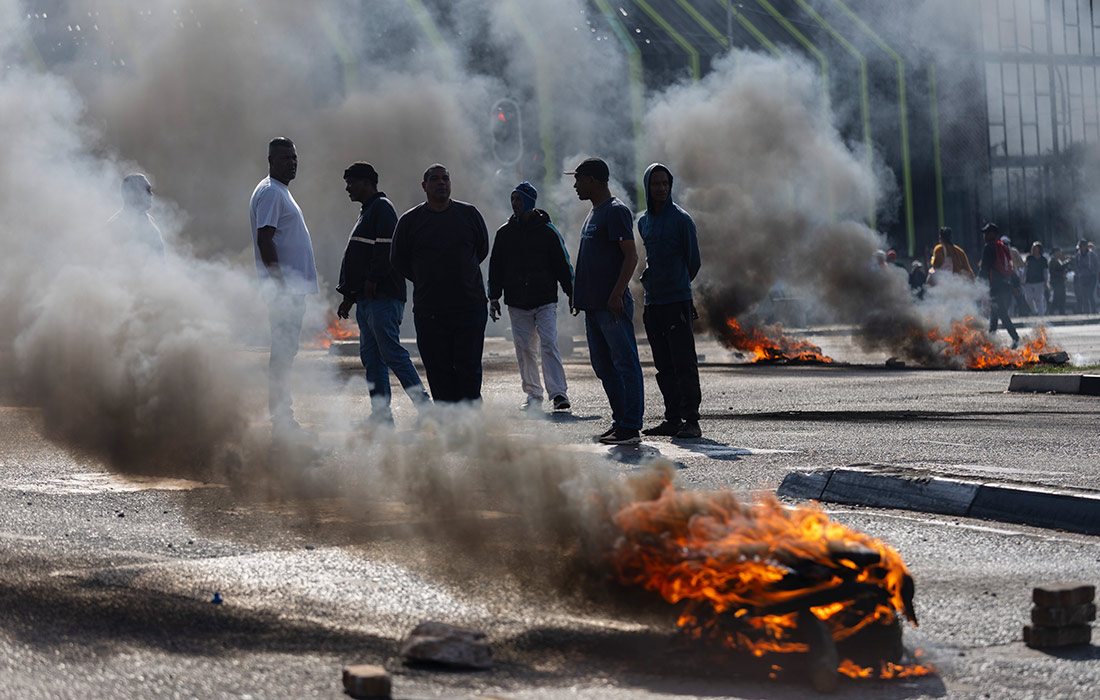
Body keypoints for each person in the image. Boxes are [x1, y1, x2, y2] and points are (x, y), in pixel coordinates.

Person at [335, 162, 430, 425]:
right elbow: (361, 256)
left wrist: (374, 279)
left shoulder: (382, 209)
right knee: (372, 357)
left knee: (390, 352)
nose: (347, 188)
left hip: (383, 297)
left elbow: (386, 249)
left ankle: (426, 408)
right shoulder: (368, 211)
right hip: (367, 299)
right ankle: (381, 415)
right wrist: (350, 296)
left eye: (352, 182)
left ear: (367, 182)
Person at [391, 164, 489, 403]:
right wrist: (426, 278)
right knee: (438, 371)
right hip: (430, 311)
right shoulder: (410, 221)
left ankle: (471, 424)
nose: (441, 183)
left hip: (469, 307)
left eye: (445, 178)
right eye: (435, 179)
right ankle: (448, 426)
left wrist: (460, 274)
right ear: (424, 186)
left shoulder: (469, 214)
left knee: (469, 369)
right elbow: (398, 260)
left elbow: (482, 249)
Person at [567, 157, 644, 445]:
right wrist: (579, 295)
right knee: (603, 365)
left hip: (610, 305)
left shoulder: (616, 211)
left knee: (625, 362)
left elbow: (631, 256)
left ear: (593, 180)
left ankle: (631, 425)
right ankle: (620, 420)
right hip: (592, 305)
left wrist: (616, 293)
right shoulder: (594, 212)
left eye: (579, 179)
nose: (575, 185)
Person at [249, 137, 319, 434]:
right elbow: (265, 238)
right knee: (282, 354)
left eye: (294, 158)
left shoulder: (279, 192)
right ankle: (282, 418)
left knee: (285, 352)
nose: (291, 163)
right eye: (285, 158)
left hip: (290, 291)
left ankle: (283, 416)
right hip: (284, 292)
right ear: (270, 161)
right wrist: (280, 285)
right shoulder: (271, 193)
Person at [487, 181, 574, 413]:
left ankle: (558, 393)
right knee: (524, 348)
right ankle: (533, 394)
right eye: (513, 199)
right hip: (517, 302)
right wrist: (493, 297)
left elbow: (563, 264)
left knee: (549, 343)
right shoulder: (504, 233)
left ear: (529, 201)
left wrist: (572, 291)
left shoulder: (548, 231)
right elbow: (496, 268)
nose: (515, 204)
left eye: (519, 199)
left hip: (545, 300)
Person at [637, 163, 702, 440]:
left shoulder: (682, 220)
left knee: (683, 362)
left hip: (677, 302)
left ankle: (692, 420)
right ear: (647, 188)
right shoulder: (643, 222)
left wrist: (678, 286)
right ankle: (672, 417)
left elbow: (694, 261)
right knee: (663, 364)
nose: (661, 188)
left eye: (665, 183)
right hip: (653, 304)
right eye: (656, 184)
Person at [977, 222, 1020, 348]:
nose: (984, 235)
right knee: (994, 314)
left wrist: (977, 284)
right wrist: (1016, 284)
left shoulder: (989, 247)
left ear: (992, 234)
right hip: (1005, 286)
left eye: (986, 233)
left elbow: (984, 268)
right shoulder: (1003, 247)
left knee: (1001, 313)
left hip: (996, 287)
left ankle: (1016, 338)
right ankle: (991, 340)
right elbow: (1011, 268)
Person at [107, 173, 165, 259]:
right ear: (132, 193)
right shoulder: (116, 225)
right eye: (147, 190)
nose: (151, 194)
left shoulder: (150, 220)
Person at [1022, 242, 1049, 317]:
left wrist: (1046, 282)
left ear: (1039, 250)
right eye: (1032, 248)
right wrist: (1023, 278)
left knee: (1039, 299)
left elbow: (1045, 272)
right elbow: (1025, 269)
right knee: (1028, 298)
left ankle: (1041, 316)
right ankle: (1034, 311)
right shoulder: (1029, 258)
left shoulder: (1043, 260)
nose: (1033, 250)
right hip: (1029, 282)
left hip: (1039, 282)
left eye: (1035, 248)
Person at [1074, 239, 1099, 314]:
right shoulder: (1078, 255)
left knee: (1090, 295)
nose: (1081, 248)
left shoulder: (1092, 255)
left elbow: (1097, 266)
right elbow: (1076, 266)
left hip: (1091, 277)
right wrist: (1078, 273)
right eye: (1080, 247)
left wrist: (1094, 273)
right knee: (1084, 296)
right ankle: (1086, 313)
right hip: (1082, 278)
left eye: (1082, 246)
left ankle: (1094, 312)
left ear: (1085, 247)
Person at [1049, 247, 1067, 315]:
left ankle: (1061, 312)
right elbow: (1053, 272)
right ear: (1055, 253)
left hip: (1059, 282)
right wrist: (1061, 275)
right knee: (1057, 299)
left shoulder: (1057, 260)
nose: (1060, 253)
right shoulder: (1053, 261)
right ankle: (1052, 313)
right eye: (1059, 252)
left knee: (1061, 299)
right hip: (1056, 283)